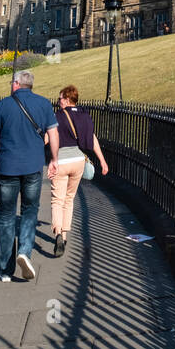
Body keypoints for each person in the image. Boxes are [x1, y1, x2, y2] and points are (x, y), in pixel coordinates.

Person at [0, 70, 58, 282]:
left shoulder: (3, 104)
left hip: (7, 167)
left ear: (16, 84)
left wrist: (2, 134)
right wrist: (54, 159)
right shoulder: (44, 104)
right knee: (29, 211)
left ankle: (5, 269)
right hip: (33, 167)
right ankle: (24, 251)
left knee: (6, 216)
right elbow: (53, 133)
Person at [50, 85, 109, 256]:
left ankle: (58, 234)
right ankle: (65, 236)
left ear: (67, 100)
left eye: (60, 98)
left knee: (57, 200)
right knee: (69, 199)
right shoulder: (84, 116)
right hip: (78, 162)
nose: (58, 101)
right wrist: (102, 161)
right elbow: (92, 138)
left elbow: (48, 138)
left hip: (61, 161)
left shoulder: (57, 116)